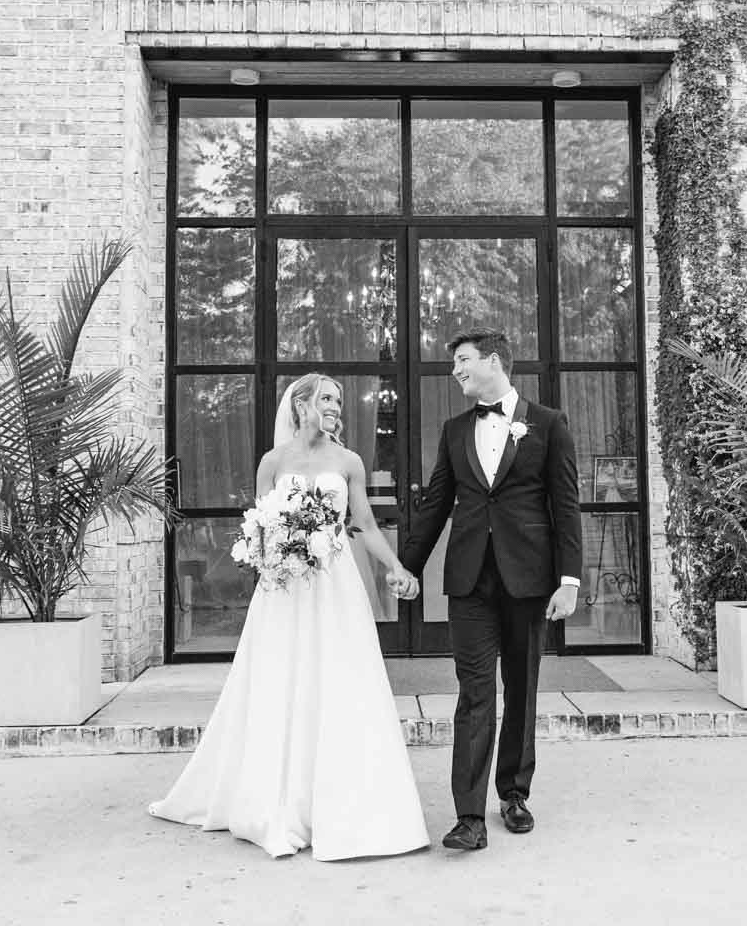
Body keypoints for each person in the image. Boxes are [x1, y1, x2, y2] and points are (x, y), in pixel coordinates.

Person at [149, 373, 429, 860]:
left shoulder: (349, 462)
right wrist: (274, 550)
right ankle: (277, 800)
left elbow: (361, 523)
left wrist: (397, 567)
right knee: (281, 679)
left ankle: (341, 802)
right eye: (326, 398)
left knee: (339, 680)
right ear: (301, 405)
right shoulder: (273, 462)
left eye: (338, 400)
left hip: (334, 586)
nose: (334, 406)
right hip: (284, 588)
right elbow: (259, 525)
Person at [394, 326, 583, 852]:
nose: (455, 370)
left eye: (463, 360)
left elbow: (565, 506)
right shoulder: (455, 430)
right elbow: (435, 503)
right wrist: (407, 566)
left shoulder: (548, 424)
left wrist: (568, 580)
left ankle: (515, 794)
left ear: (494, 361)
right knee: (474, 694)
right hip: (470, 582)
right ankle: (469, 816)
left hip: (529, 580)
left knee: (520, 688)